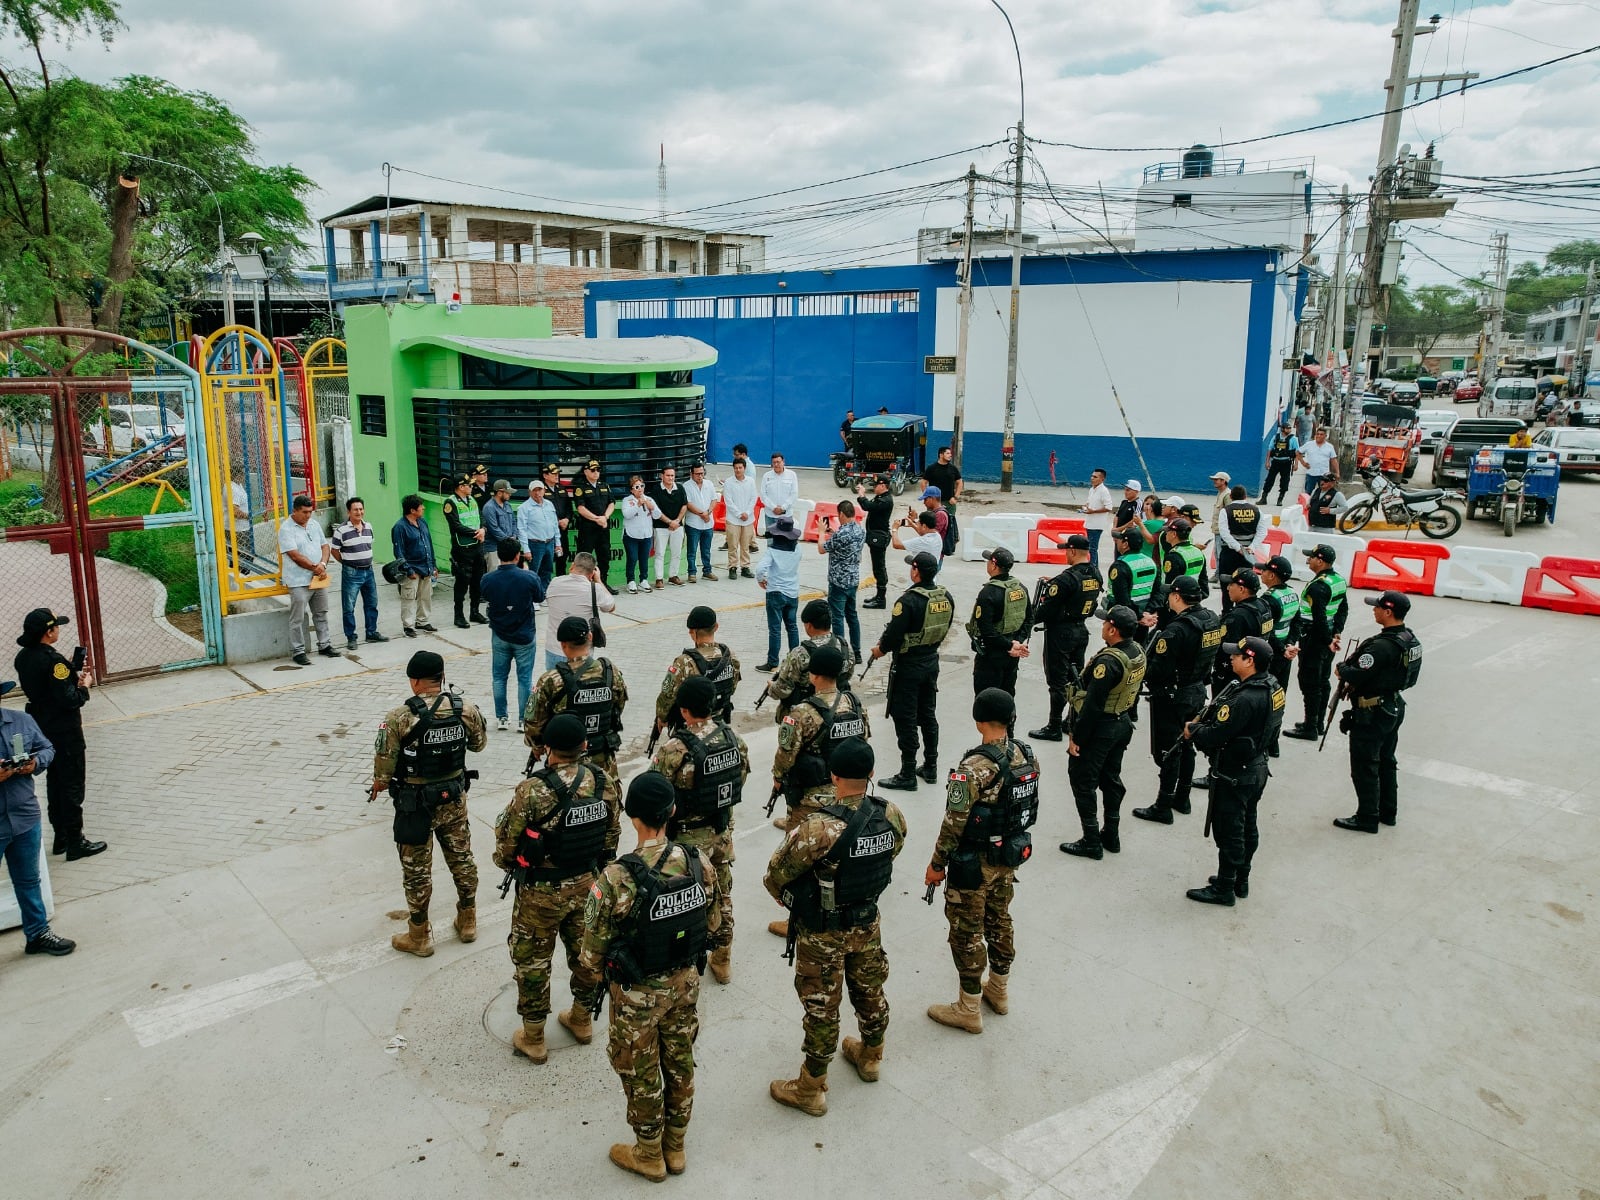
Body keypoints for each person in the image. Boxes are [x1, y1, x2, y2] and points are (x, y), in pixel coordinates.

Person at [580, 772, 717, 1181]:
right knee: (680, 1059)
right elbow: (715, 923)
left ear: (631, 816)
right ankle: (676, 1145)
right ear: (672, 811)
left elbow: (591, 954)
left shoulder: (616, 878)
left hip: (636, 994)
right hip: (685, 984)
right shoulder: (698, 862)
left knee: (639, 1070)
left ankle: (649, 1152)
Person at [764, 736, 906, 1114]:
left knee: (821, 1005)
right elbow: (894, 850)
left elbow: (776, 874)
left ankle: (811, 1087)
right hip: (867, 921)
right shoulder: (890, 814)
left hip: (823, 930)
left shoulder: (818, 828)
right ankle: (871, 1056)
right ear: (872, 773)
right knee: (870, 988)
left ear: (833, 776)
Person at [495, 711, 621, 1065]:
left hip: (540, 893)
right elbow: (612, 836)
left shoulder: (532, 790)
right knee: (587, 954)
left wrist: (510, 864)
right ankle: (581, 1019)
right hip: (588, 885)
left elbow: (506, 845)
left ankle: (534, 1037)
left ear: (547, 748)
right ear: (584, 745)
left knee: (533, 962)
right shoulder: (602, 781)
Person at [925, 689, 1037, 1034]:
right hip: (1008, 856)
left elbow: (953, 822)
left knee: (966, 932)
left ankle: (968, 1007)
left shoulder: (974, 768)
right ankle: (999, 991)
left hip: (974, 863)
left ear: (978, 720)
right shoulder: (1025, 754)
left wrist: (937, 864)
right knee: (1000, 919)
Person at [370, 650, 488, 956]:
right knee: (462, 859)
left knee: (417, 871)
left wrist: (380, 784)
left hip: (415, 806)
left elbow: (383, 771)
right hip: (454, 798)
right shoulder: (465, 710)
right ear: (442, 677)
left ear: (414, 681)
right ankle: (468, 920)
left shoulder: (398, 718)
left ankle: (419, 936)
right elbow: (478, 745)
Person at [653, 675, 750, 985]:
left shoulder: (674, 748)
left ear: (684, 711)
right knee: (722, 896)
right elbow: (740, 777)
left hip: (685, 843)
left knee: (680, 902)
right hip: (720, 833)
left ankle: (680, 960)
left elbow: (657, 793)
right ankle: (722, 958)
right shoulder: (733, 738)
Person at [1183, 636, 1284, 906]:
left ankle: (1225, 887)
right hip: (1256, 767)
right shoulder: (1272, 686)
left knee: (1230, 831)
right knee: (1247, 825)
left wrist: (1194, 731)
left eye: (1237, 655)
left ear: (1250, 661)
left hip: (1236, 773)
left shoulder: (1243, 699)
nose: (1231, 658)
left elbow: (1217, 735)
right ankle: (1240, 878)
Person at [13, 608, 104, 859]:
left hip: (42, 728)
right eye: (56, 627)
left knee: (54, 782)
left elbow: (46, 689)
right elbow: (69, 700)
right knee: (72, 784)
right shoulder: (55, 662)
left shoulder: (23, 657)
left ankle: (61, 837)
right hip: (65, 730)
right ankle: (76, 841)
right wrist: (83, 687)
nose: (58, 631)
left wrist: (69, 676)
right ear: (48, 632)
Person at [1132, 575, 1221, 826]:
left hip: (1173, 696)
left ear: (1177, 596)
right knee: (1186, 744)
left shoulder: (1176, 630)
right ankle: (1182, 797)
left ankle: (1163, 805)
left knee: (1169, 751)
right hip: (1196, 690)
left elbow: (1158, 670)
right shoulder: (1211, 619)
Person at [1060, 606, 1146, 861]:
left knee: (1082, 780)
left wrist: (1077, 737)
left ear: (1113, 629)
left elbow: (1093, 706)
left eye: (1105, 623)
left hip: (1102, 727)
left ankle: (1091, 841)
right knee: (1110, 778)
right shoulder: (1136, 651)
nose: (1102, 627)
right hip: (1122, 722)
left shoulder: (1108, 662)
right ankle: (1111, 834)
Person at [1331, 591, 1422, 834]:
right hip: (1393, 705)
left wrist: (1341, 668)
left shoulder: (1382, 646)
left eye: (1378, 607)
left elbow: (1354, 673)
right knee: (1386, 761)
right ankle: (1387, 812)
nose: (1374, 610)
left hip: (1372, 711)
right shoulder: (1409, 639)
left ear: (1388, 612)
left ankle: (1367, 817)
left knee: (1365, 765)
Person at [0, 680, 73, 955]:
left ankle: (38, 933)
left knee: (29, 880)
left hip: (25, 817)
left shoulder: (21, 721)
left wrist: (35, 763)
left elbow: (47, 748)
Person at [872, 551, 954, 790]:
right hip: (931, 662)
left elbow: (894, 635)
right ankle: (931, 766)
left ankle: (907, 772)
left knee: (905, 717)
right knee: (927, 714)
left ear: (916, 571)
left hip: (908, 666)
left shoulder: (908, 601)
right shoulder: (946, 596)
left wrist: (880, 650)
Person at [769, 644, 868, 841]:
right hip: (849, 792)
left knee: (798, 844)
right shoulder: (854, 705)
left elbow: (785, 756)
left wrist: (778, 779)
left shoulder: (801, 712)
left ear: (813, 676)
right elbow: (863, 742)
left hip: (811, 798)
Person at [525, 616, 627, 780]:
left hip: (564, 765)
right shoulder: (610, 672)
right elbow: (618, 706)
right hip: (604, 762)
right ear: (590, 637)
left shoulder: (552, 680)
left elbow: (534, 723)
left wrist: (537, 747)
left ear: (563, 645)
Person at [1028, 534, 1102, 742]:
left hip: (1061, 634)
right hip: (1081, 630)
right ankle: (1071, 720)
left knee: (1057, 681)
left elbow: (1045, 610)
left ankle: (1053, 725)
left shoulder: (1066, 579)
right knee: (1076, 678)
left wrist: (1027, 622)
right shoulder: (1094, 573)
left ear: (1072, 551)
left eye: (1066, 551)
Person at [481, 537, 547, 732]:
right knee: (524, 678)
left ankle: (502, 717)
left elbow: (485, 595)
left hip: (499, 634)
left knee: (499, 677)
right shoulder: (529, 577)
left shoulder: (488, 579)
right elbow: (540, 597)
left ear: (499, 555)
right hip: (524, 635)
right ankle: (522, 719)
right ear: (518, 556)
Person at [1284, 544, 1349, 741]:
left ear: (1320, 561)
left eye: (1311, 557)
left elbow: (1319, 616)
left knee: (1310, 681)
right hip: (1328, 635)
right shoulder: (1338, 580)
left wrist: (1328, 639)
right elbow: (1343, 609)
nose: (1308, 560)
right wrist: (1336, 633)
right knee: (1322, 680)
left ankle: (1310, 727)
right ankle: (1318, 722)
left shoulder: (1318, 586)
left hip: (1315, 637)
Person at [763, 599, 855, 721]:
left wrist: (772, 687)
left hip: (806, 714)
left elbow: (783, 690)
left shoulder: (799, 653)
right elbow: (847, 675)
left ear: (809, 625)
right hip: (839, 708)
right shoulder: (845, 646)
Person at [655, 606, 741, 732]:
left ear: (691, 632)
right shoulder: (730, 656)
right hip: (720, 723)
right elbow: (732, 688)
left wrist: (662, 717)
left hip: (692, 726)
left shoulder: (684, 662)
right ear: (716, 627)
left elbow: (667, 695)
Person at [279, 494, 337, 665]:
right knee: (298, 618)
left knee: (321, 612)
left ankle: (324, 644)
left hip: (318, 577)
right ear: (295, 511)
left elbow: (325, 546)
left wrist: (322, 565)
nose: (308, 515)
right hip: (298, 581)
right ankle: (298, 651)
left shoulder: (314, 524)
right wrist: (314, 567)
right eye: (304, 512)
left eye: (310, 512)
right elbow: (294, 555)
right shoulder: (286, 529)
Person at [965, 548, 1032, 697]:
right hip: (1012, 655)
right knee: (1006, 697)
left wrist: (1010, 645)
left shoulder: (988, 592)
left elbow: (986, 630)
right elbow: (1029, 619)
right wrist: (1017, 642)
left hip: (992, 656)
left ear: (994, 565)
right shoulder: (1021, 588)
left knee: (986, 700)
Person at [331, 496, 388, 651]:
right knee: (349, 606)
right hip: (351, 573)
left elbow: (368, 546)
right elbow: (334, 551)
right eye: (355, 509)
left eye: (361, 509)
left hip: (369, 571)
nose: (359, 512)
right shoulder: (341, 530)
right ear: (349, 512)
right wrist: (347, 563)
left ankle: (371, 632)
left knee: (372, 603)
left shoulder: (368, 526)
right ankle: (351, 637)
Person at [542, 553, 614, 673]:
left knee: (553, 684)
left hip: (554, 648)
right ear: (592, 573)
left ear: (572, 566)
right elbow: (611, 607)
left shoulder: (554, 582)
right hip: (581, 654)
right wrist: (599, 581)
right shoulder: (595, 589)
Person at [1258, 555, 1300, 756]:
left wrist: (1282, 648)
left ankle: (1265, 744)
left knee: (1265, 699)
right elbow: (1296, 623)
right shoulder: (1292, 594)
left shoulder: (1268, 599)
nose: (1262, 573)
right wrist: (1290, 644)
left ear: (1272, 575)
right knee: (1278, 697)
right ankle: (1273, 743)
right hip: (1285, 652)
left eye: (1265, 570)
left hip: (1272, 653)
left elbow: (1267, 630)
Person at [754, 514, 803, 671]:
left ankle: (772, 663)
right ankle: (795, 662)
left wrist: (761, 579)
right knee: (792, 627)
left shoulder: (772, 551)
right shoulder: (798, 549)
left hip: (775, 591)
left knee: (775, 630)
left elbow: (760, 568)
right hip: (792, 592)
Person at [818, 499, 865, 659]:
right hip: (853, 579)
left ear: (842, 514)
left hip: (838, 581)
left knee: (837, 618)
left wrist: (821, 533)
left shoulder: (841, 534)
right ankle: (857, 652)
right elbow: (847, 545)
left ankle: (841, 653)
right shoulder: (860, 530)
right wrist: (833, 535)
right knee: (852, 616)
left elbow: (822, 549)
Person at [442, 475, 488, 628]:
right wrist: (475, 532)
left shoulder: (472, 499)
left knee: (477, 581)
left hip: (477, 547)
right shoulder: (450, 502)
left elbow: (480, 516)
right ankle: (459, 615)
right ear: (461, 487)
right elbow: (455, 525)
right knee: (462, 582)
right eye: (469, 485)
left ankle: (474, 611)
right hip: (462, 549)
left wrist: (483, 529)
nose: (471, 487)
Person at [1146, 517, 1208, 629]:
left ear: (1174, 534)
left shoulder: (1174, 556)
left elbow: (1170, 586)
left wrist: (1158, 609)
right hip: (1193, 603)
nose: (1166, 534)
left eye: (1167, 531)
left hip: (1175, 607)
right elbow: (1204, 583)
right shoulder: (1198, 552)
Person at [391, 493, 438, 637]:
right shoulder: (400, 527)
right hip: (412, 569)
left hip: (426, 567)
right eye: (420, 506)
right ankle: (408, 626)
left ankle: (422, 621)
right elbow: (399, 552)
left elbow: (429, 544)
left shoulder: (422, 522)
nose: (423, 508)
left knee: (426, 596)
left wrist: (433, 565)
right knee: (409, 598)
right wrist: (408, 570)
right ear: (412, 510)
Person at [571, 459, 618, 590]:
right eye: (593, 470)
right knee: (584, 558)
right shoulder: (580, 488)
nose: (596, 472)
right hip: (588, 529)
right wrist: (597, 519)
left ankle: (602, 584)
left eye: (598, 470)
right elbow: (581, 508)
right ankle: (582, 586)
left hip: (603, 528)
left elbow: (612, 503)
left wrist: (605, 517)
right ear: (586, 471)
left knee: (604, 557)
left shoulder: (604, 485)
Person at [1103, 525, 1156, 640]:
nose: (1116, 541)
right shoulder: (1150, 562)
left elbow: (1122, 598)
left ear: (1125, 544)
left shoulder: (1121, 566)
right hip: (1144, 618)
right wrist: (1148, 613)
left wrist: (1140, 616)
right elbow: (1157, 591)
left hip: (1123, 621)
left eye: (1119, 539)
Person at [1216, 487, 1262, 611]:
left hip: (1229, 553)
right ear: (1245, 496)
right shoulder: (1256, 510)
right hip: (1247, 554)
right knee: (1245, 585)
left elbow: (1224, 532)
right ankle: (1243, 611)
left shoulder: (1226, 511)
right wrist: (1252, 547)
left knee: (1227, 585)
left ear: (1231, 497)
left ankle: (1227, 613)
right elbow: (1262, 531)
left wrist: (1237, 547)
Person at [856, 475, 895, 607]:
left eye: (876, 485)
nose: (874, 488)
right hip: (875, 536)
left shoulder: (886, 500)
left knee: (879, 568)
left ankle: (881, 599)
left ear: (883, 486)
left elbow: (867, 506)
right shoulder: (881, 497)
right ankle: (878, 596)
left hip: (879, 537)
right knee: (877, 567)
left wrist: (862, 495)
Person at [647, 466, 688, 589]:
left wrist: (677, 521)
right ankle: (659, 579)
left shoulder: (680, 488)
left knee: (676, 553)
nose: (670, 478)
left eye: (672, 475)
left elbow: (684, 506)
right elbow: (656, 510)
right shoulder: (656, 490)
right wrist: (669, 522)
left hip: (677, 526)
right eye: (668, 475)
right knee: (660, 553)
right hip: (661, 527)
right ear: (662, 476)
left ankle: (673, 576)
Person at [517, 479, 561, 588]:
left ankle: (544, 592)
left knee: (547, 570)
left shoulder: (549, 504)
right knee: (533, 572)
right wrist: (526, 549)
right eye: (534, 490)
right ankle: (532, 594)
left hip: (550, 543)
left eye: (540, 490)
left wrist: (558, 543)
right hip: (534, 544)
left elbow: (555, 524)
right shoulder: (524, 508)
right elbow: (521, 529)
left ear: (544, 490)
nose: (537, 493)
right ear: (529, 492)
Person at [921, 446, 963, 554]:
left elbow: (959, 482)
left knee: (950, 525)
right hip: (934, 503)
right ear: (941, 454)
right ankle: (930, 545)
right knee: (932, 524)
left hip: (949, 502)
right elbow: (923, 482)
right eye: (947, 453)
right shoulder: (932, 468)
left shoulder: (952, 469)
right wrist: (927, 497)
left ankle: (949, 547)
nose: (950, 455)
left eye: (950, 453)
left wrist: (956, 497)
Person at [721, 456, 758, 579]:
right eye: (736, 468)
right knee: (732, 545)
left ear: (744, 468)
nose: (738, 470)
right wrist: (738, 514)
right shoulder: (729, 482)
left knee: (745, 545)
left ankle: (745, 567)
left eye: (740, 468)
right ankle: (732, 567)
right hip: (733, 520)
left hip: (748, 519)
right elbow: (728, 501)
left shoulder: (750, 481)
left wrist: (747, 512)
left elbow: (753, 498)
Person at [620, 476, 657, 594]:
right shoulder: (627, 500)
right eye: (636, 487)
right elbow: (627, 514)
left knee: (644, 558)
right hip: (631, 535)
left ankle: (643, 580)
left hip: (646, 534)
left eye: (642, 486)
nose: (640, 489)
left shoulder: (649, 499)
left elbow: (657, 515)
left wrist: (652, 508)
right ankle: (630, 580)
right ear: (631, 490)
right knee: (632, 558)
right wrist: (638, 505)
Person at [682, 463, 718, 581]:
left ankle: (707, 571)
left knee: (706, 550)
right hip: (693, 524)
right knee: (692, 551)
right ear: (691, 474)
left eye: (702, 473)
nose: (700, 476)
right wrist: (702, 514)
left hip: (708, 523)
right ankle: (692, 572)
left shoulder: (709, 484)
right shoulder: (686, 486)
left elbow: (714, 500)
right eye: (697, 474)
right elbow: (688, 504)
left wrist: (708, 512)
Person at [481, 480, 520, 574]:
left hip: (508, 546)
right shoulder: (489, 507)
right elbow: (494, 528)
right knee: (494, 573)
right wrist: (509, 541)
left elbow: (514, 522)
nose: (510, 495)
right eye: (507, 492)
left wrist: (514, 536)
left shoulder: (507, 505)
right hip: (493, 548)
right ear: (499, 493)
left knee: (509, 573)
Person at [540, 463, 574, 567]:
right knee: (547, 558)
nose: (557, 476)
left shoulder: (561, 488)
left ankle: (561, 576)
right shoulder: (540, 490)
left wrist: (567, 519)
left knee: (563, 555)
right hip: (548, 532)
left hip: (562, 530)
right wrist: (557, 521)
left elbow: (569, 507)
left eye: (557, 473)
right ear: (545, 475)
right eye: (553, 474)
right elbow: (541, 511)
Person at [1079, 468, 1114, 568]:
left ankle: (1093, 568)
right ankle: (1094, 568)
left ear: (1102, 479)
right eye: (1092, 476)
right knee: (1091, 548)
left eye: (1095, 477)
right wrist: (1085, 507)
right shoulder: (1092, 490)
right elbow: (1089, 503)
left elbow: (1109, 507)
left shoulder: (1104, 491)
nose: (1092, 478)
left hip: (1097, 524)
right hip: (1089, 523)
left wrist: (1093, 511)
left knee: (1092, 548)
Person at [1260, 419, 1300, 505]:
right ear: (1282, 429)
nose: (1289, 430)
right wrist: (1267, 462)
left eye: (1289, 428)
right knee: (1269, 480)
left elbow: (1297, 452)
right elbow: (1270, 450)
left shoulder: (1293, 439)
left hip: (1286, 462)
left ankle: (1280, 499)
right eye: (1287, 428)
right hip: (1275, 461)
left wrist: (1296, 464)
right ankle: (1264, 498)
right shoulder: (1276, 437)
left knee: (1285, 481)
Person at [760, 452, 799, 532]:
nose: (776, 464)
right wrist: (773, 507)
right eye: (774, 462)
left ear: (783, 462)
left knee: (786, 538)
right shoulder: (766, 476)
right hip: (770, 515)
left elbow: (794, 494)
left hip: (786, 515)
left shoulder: (792, 475)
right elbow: (763, 495)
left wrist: (783, 508)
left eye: (778, 462)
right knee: (770, 539)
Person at [1297, 427, 1339, 494]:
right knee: (1308, 493)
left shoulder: (1330, 447)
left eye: (1321, 434)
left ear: (1325, 436)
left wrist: (1337, 473)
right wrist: (1303, 463)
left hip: (1324, 475)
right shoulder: (1309, 444)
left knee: (1324, 493)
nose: (1319, 436)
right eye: (1317, 434)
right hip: (1311, 473)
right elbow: (1298, 452)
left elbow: (1333, 460)